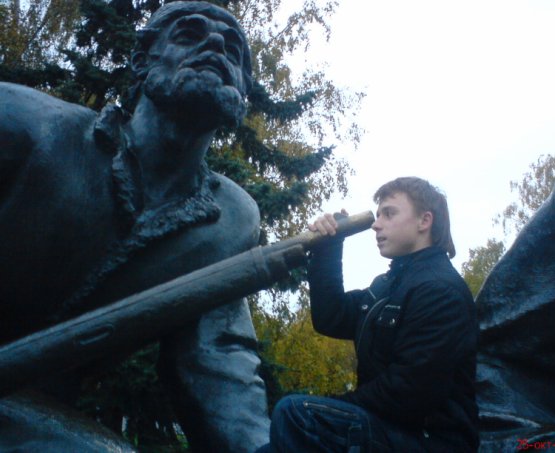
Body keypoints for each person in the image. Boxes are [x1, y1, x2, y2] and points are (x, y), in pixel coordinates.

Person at [0, 2, 269, 451]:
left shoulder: (231, 221)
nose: (216, 45)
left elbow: (217, 361)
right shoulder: (27, 124)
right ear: (141, 61)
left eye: (234, 50)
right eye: (189, 34)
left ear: (243, 91)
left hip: (32, 408)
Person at [258, 177, 479, 452]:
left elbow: (408, 392)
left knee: (295, 412)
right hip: (385, 427)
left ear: (424, 221)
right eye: (378, 215)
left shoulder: (440, 291)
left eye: (389, 213)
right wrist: (328, 247)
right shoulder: (387, 286)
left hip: (430, 440)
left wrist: (330, 408)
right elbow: (332, 317)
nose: (376, 224)